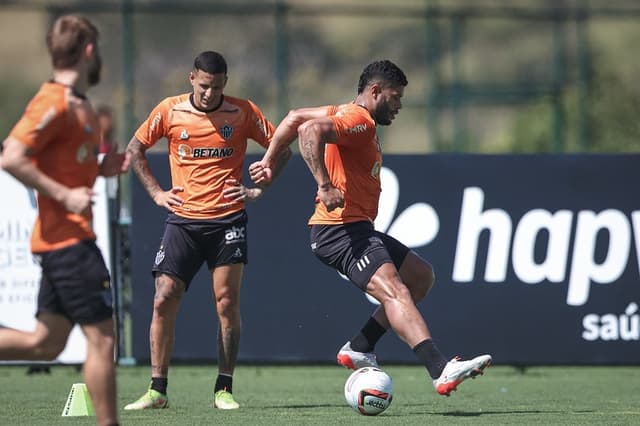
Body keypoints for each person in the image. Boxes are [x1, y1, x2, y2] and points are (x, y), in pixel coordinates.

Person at [249, 60, 491, 397]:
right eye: (395, 97)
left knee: (420, 277)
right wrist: (324, 184)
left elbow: (292, 117)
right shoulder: (359, 120)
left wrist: (268, 161)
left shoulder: (344, 112)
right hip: (340, 230)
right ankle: (440, 369)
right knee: (396, 291)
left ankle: (360, 346)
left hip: (357, 227)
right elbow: (307, 131)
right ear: (375, 92)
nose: (399, 105)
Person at [125, 50, 289, 411]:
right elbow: (135, 149)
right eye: (202, 86)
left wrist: (260, 186)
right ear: (191, 79)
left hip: (228, 219)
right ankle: (157, 390)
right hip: (182, 222)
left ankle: (224, 389)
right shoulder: (169, 110)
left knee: (226, 303)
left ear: (224, 83)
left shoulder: (242, 111)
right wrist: (155, 192)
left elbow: (281, 146)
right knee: (163, 296)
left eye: (215, 87)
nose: (208, 94)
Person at [0, 14, 129, 426]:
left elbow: (70, 164)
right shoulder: (52, 102)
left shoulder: (81, 107)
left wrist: (101, 167)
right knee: (103, 339)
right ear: (89, 51)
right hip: (68, 244)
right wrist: (64, 194)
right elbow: (12, 156)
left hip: (63, 243)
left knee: (46, 344)